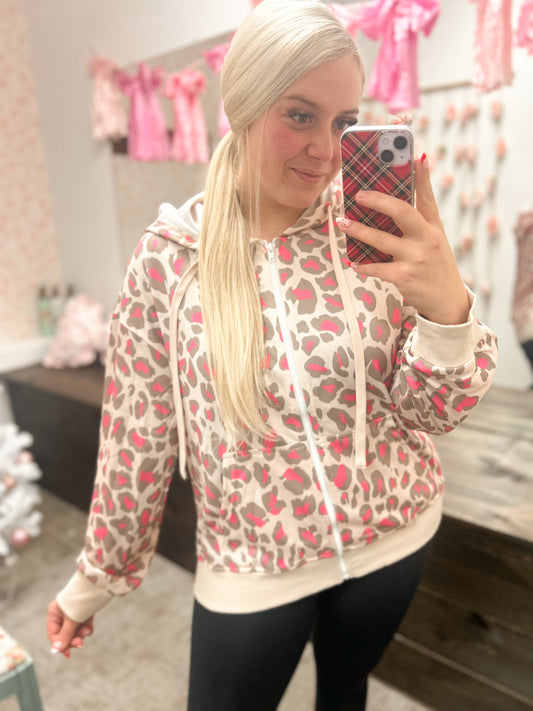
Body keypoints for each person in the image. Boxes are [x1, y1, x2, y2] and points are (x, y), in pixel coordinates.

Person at [47, 1, 498, 709]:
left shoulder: (368, 235)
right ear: (241, 106)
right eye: (299, 114)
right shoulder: (169, 262)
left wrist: (446, 309)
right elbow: (138, 432)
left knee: (345, 691)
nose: (325, 149)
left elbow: (428, 413)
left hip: (395, 533)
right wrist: (97, 576)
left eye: (344, 122)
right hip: (253, 565)